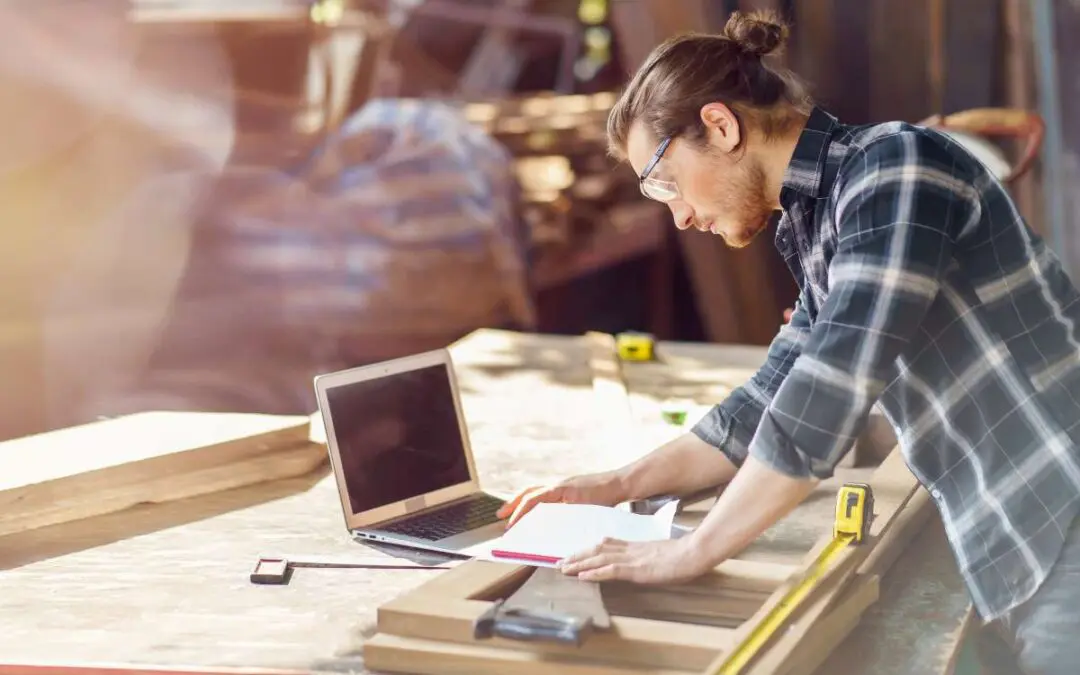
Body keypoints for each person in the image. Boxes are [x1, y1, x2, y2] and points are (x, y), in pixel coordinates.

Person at [495, 10, 1080, 675]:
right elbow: (769, 398)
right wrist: (616, 483)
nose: (679, 214)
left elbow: (828, 391)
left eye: (664, 181)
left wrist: (691, 551)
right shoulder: (825, 216)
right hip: (1025, 538)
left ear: (720, 125)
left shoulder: (894, 169)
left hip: (1065, 518)